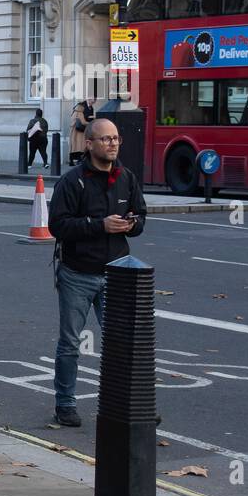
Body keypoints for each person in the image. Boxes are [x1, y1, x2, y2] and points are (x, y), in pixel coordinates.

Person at [47, 117, 146, 427]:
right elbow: (58, 226)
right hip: (78, 273)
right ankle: (65, 404)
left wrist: (132, 224)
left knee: (123, 341)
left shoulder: (126, 178)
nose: (113, 143)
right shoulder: (72, 181)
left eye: (116, 138)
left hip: (117, 273)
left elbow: (141, 216)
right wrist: (98, 225)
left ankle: (132, 402)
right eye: (105, 139)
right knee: (70, 343)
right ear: (89, 144)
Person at [68, 98, 94, 166]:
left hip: (73, 131)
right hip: (78, 132)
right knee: (80, 146)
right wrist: (91, 122)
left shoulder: (74, 112)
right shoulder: (79, 112)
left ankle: (71, 161)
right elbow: (83, 122)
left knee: (73, 146)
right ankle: (80, 160)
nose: (83, 109)